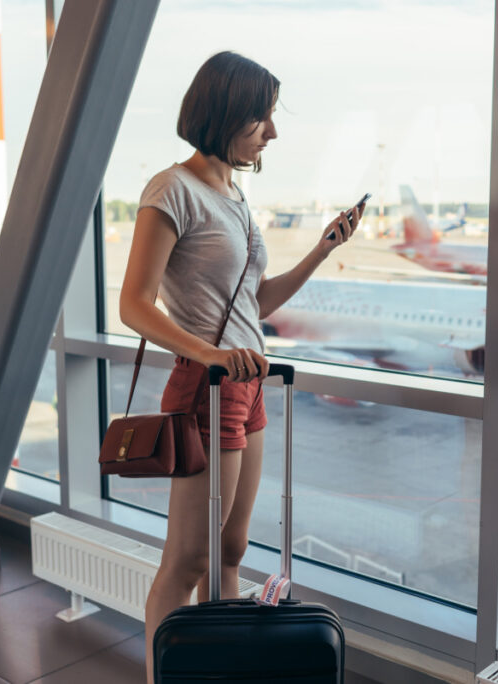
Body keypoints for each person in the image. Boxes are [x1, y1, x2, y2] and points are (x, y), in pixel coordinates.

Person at [118, 51, 365, 681]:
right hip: (208, 386)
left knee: (230, 551)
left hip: (247, 389)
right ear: (225, 114)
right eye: (262, 119)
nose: (272, 133)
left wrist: (322, 248)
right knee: (185, 564)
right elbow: (133, 304)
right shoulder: (172, 189)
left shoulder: (234, 194)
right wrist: (211, 354)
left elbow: (254, 302)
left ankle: (218, 671)